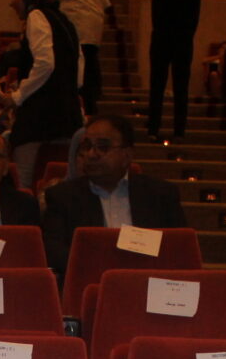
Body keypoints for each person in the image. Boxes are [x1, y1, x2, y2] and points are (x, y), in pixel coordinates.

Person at [40, 114, 188, 274]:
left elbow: (179, 249)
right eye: (87, 146)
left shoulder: (160, 194)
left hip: (148, 281)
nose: (91, 154)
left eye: (103, 147)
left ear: (127, 155)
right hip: (89, 281)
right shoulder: (63, 196)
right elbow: (54, 253)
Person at [8, 0, 83, 187]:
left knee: (22, 181)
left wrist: (18, 95)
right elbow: (79, 70)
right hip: (68, 116)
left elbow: (45, 63)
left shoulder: (36, 16)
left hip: (38, 117)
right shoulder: (65, 21)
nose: (11, 2)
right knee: (63, 180)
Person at [47, 0, 109, 117]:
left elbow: (49, 1)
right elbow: (104, 3)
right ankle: (90, 109)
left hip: (70, 29)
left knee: (71, 74)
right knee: (89, 71)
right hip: (92, 29)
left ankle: (71, 110)